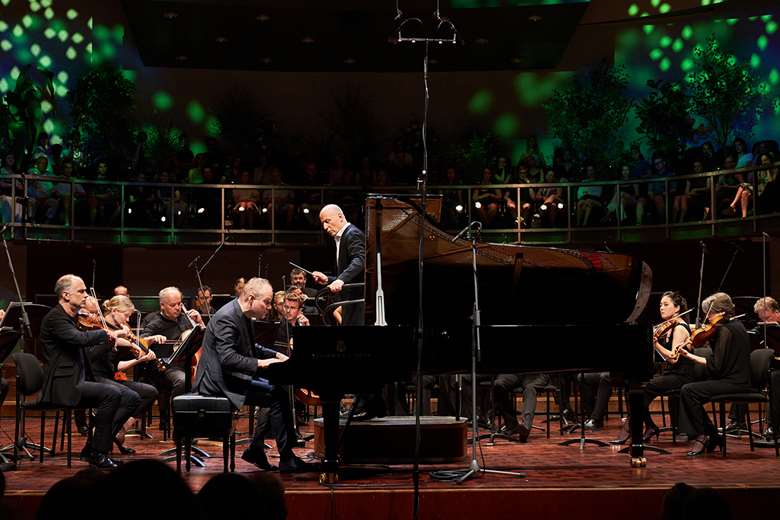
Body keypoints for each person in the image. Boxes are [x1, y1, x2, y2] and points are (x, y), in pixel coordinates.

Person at [193, 277, 314, 472]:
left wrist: (276, 355)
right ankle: (282, 456)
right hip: (218, 382)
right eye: (266, 302)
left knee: (278, 388)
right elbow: (228, 358)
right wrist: (263, 363)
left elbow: (251, 347)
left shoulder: (244, 314)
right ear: (251, 298)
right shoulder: (227, 317)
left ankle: (261, 449)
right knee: (276, 392)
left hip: (230, 374)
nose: (269, 307)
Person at [39, 275, 129, 468]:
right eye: (81, 291)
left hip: (75, 378)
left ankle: (93, 449)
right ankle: (97, 453)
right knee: (111, 394)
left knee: (122, 394)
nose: (85, 295)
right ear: (65, 295)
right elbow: (78, 338)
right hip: (62, 384)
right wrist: (106, 333)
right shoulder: (56, 318)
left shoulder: (69, 317)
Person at [85, 295, 164, 451]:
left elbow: (129, 349)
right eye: (126, 315)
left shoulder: (117, 330)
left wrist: (149, 341)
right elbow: (118, 366)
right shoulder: (101, 329)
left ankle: (120, 429)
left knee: (150, 392)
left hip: (110, 377)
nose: (127, 319)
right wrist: (138, 359)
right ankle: (100, 440)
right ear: (114, 311)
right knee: (129, 396)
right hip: (95, 377)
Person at [677, 292, 752, 456]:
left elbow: (716, 366)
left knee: (688, 391)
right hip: (736, 379)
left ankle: (703, 435)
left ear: (721, 312)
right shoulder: (736, 325)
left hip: (735, 382)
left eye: (709, 313)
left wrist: (689, 355)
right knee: (690, 393)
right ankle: (712, 435)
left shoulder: (725, 330)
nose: (707, 317)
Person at [141, 286, 204, 426]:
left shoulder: (186, 318)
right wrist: (152, 338)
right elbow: (139, 343)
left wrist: (200, 322)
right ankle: (180, 425)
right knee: (182, 381)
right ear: (162, 305)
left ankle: (205, 424)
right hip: (167, 367)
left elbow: (203, 338)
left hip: (189, 363)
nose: (177, 308)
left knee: (210, 377)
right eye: (172, 305)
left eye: (179, 304)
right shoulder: (155, 323)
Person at [312, 204, 365, 326]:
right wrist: (328, 280)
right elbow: (349, 275)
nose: (325, 227)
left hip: (356, 302)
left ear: (340, 217)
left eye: (327, 221)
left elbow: (360, 260)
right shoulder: (343, 237)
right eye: (323, 223)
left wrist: (340, 279)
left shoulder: (352, 234)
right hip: (349, 302)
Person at [491, 373, 550, 442]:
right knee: (498, 384)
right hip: (515, 373)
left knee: (530, 388)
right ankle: (511, 424)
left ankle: (525, 428)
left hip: (536, 374)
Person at [754, 296, 780, 440]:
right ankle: (737, 421)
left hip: (778, 369)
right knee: (741, 375)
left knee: (775, 379)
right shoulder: (763, 328)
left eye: (767, 318)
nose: (765, 322)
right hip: (772, 364)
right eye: (762, 319)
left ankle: (773, 426)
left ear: (774, 311)